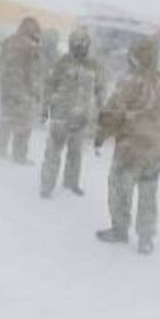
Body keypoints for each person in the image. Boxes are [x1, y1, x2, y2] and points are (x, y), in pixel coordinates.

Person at [94, 37, 160, 255]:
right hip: (156, 151)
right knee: (148, 193)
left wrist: (102, 133)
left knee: (119, 188)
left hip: (131, 150)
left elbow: (113, 113)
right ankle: (146, 238)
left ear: (135, 59)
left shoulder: (130, 82)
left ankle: (119, 229)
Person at [40, 28, 105, 198]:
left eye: (83, 44)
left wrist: (101, 109)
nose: (79, 47)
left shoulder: (94, 66)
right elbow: (49, 86)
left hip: (81, 118)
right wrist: (44, 109)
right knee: (53, 152)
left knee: (75, 154)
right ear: (70, 44)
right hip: (60, 116)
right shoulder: (61, 63)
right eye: (76, 44)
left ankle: (71, 183)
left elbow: (100, 88)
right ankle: (46, 186)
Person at [0, 17, 42, 164]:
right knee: (23, 125)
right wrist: (36, 92)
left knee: (5, 120)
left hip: (6, 89)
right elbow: (33, 72)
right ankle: (19, 156)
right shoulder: (31, 48)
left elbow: (1, 64)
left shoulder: (8, 42)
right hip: (22, 92)